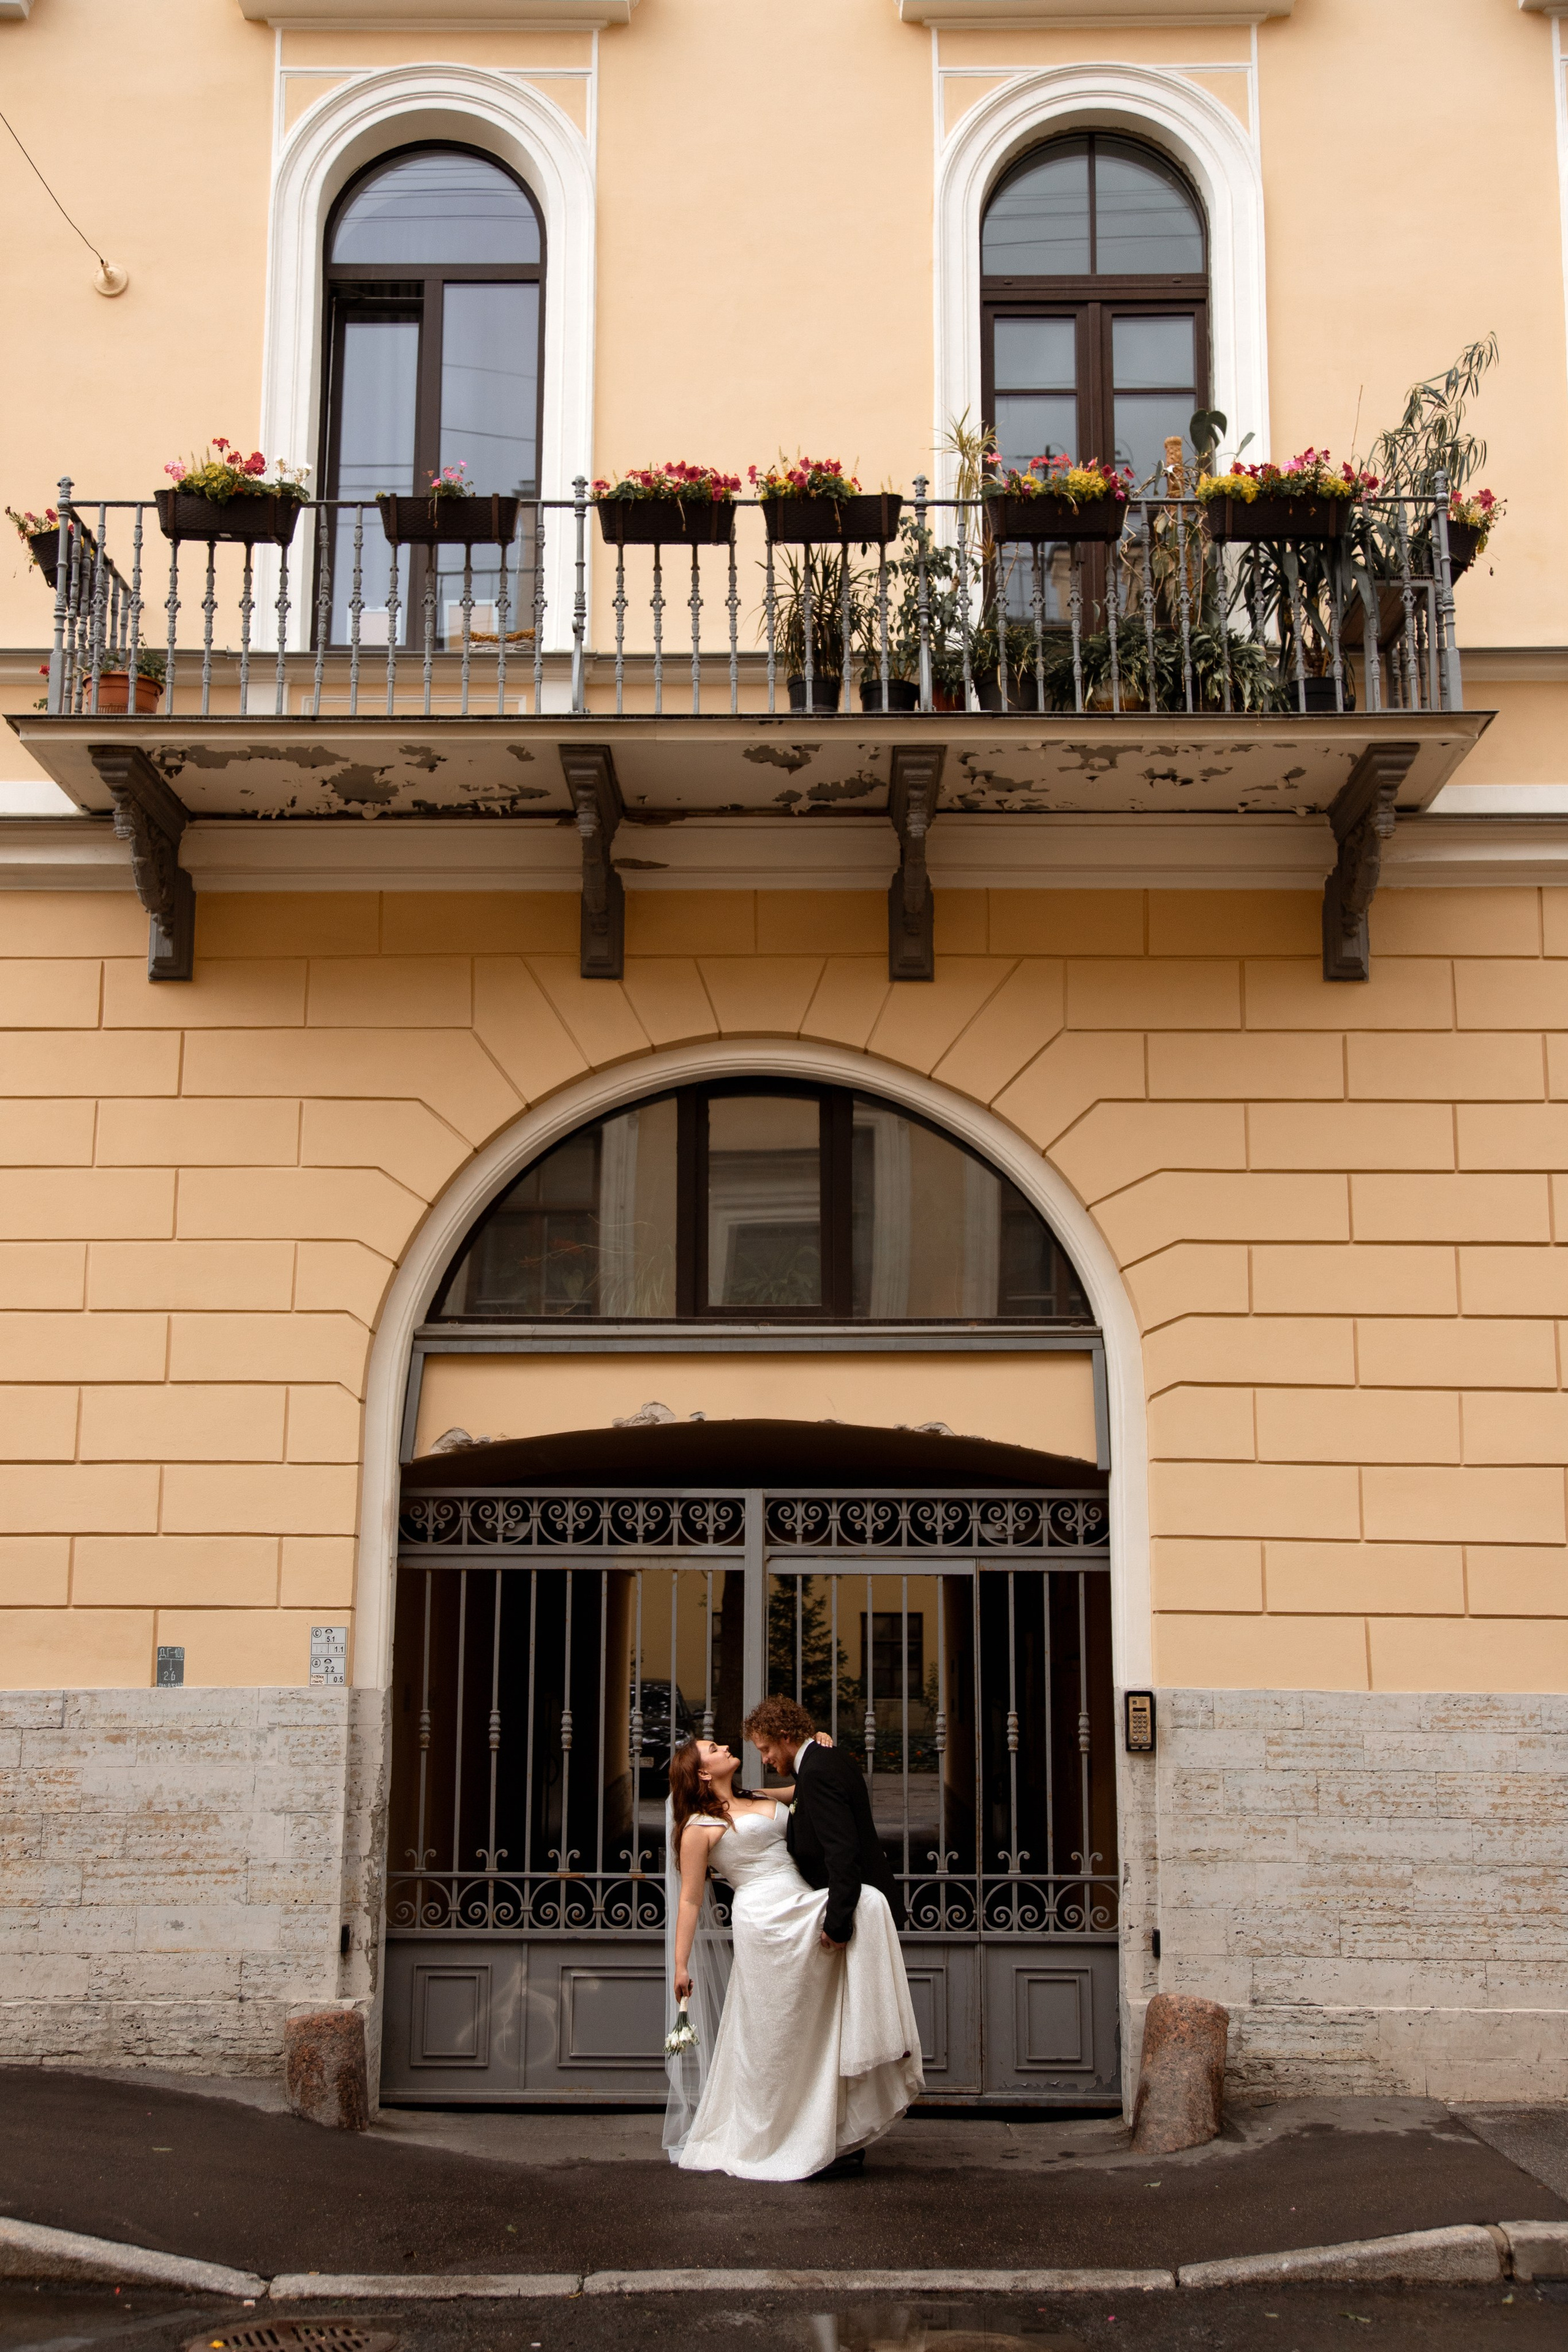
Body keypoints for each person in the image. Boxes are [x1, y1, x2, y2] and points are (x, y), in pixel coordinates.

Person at [665, 1697, 923, 2182]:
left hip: (801, 1902)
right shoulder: (698, 1829)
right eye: (714, 1748)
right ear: (701, 1773)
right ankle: (775, 2130)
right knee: (776, 2034)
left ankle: (836, 2115)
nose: (728, 1746)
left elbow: (805, 1787)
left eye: (758, 1744)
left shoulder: (760, 1798)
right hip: (765, 1920)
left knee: (818, 2021)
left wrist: (814, 1746)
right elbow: (691, 1903)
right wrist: (681, 1965)